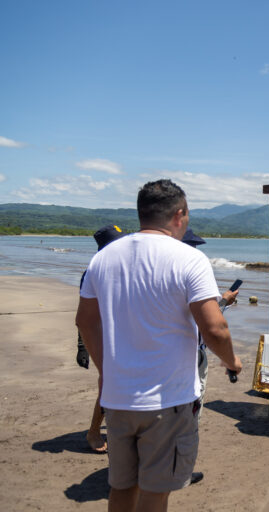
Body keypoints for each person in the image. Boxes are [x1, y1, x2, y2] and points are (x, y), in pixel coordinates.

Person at [76, 179, 242, 511]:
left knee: (121, 487)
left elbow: (85, 321)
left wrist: (104, 370)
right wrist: (232, 362)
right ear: (179, 214)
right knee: (155, 491)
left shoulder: (105, 258)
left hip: (119, 399)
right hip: (169, 401)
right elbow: (214, 328)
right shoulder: (189, 259)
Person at [181, 228, 238, 486]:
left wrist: (223, 301)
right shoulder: (192, 269)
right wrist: (231, 360)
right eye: (193, 245)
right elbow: (212, 325)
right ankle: (181, 470)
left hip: (169, 353)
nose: (195, 251)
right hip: (193, 353)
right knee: (191, 410)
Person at [75, 224, 125, 453]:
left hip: (122, 336)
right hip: (105, 337)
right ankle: (94, 432)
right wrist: (83, 346)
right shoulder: (94, 271)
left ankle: (118, 430)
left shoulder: (122, 267)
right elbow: (86, 316)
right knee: (107, 384)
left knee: (119, 385)